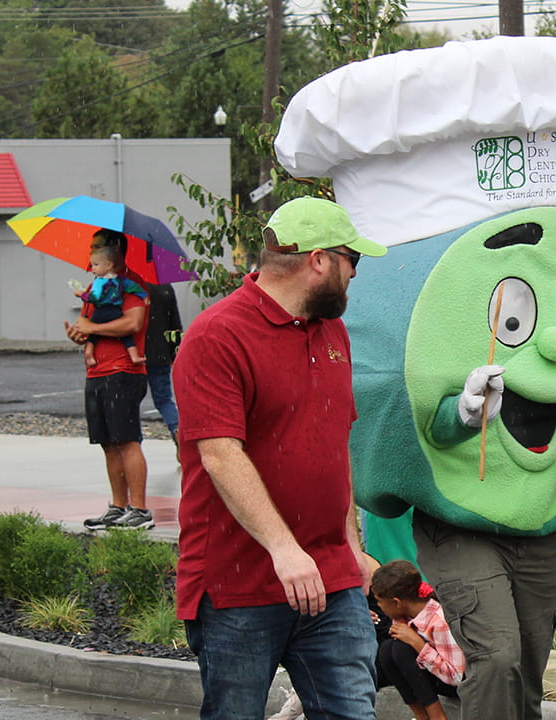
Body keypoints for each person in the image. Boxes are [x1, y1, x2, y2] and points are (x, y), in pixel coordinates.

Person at [172, 196, 387, 720]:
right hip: (238, 582)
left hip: (331, 578)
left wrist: (352, 547)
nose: (356, 273)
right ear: (319, 260)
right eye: (351, 260)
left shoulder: (332, 330)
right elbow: (221, 455)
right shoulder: (218, 335)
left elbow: (334, 447)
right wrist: (285, 551)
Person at [65, 237, 153, 532]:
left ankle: (140, 510)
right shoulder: (95, 286)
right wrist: (79, 334)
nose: (91, 257)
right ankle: (118, 506)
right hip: (97, 372)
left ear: (116, 253)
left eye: (98, 248)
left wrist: (94, 328)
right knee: (107, 442)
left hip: (123, 371)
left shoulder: (130, 285)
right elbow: (84, 323)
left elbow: (132, 323)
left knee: (127, 439)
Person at [371, 560, 464, 720]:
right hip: (433, 675)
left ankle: (438, 716)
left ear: (396, 602)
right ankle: (421, 715)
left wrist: (418, 644)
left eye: (380, 602)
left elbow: (456, 677)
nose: (379, 606)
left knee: (401, 649)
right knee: (387, 649)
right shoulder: (403, 615)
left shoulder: (439, 621)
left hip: (453, 682)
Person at [75, 246, 147, 368]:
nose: (92, 269)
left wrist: (82, 295)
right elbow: (133, 287)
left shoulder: (98, 282)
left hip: (100, 311)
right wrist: (144, 295)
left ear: (108, 265)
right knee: (125, 335)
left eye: (95, 265)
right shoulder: (120, 280)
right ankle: (134, 355)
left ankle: (89, 352)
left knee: (93, 334)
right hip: (114, 311)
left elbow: (94, 297)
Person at [144, 282, 183, 450]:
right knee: (164, 399)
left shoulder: (129, 285)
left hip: (135, 352)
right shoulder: (164, 287)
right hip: (160, 351)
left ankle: (132, 445)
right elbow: (175, 322)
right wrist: (174, 352)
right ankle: (176, 429)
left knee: (130, 402)